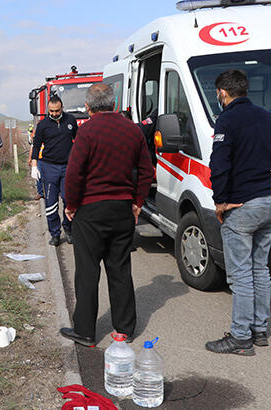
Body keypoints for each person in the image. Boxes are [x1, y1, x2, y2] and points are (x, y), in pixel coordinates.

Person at [59, 83, 154, 347]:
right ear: (114, 104)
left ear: (88, 107)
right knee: (120, 269)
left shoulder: (87, 131)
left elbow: (75, 173)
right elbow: (146, 171)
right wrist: (137, 202)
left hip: (90, 211)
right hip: (122, 209)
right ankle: (123, 329)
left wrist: (71, 205)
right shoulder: (132, 130)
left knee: (87, 272)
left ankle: (86, 332)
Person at [205, 69, 271, 355]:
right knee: (260, 270)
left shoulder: (226, 120)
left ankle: (240, 337)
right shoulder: (268, 117)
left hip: (241, 208)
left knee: (240, 275)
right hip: (267, 204)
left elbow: (219, 164)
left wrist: (220, 201)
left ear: (223, 93)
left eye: (218, 93)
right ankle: (259, 330)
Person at [30, 95, 78, 245]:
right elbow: (36, 145)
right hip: (49, 167)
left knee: (68, 199)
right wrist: (34, 165)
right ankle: (55, 234)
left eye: (57, 111)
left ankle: (69, 229)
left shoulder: (70, 120)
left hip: (68, 167)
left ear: (62, 108)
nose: (54, 113)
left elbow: (78, 141)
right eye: (51, 111)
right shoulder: (43, 125)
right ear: (48, 109)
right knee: (51, 203)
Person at [28, 122, 44, 200]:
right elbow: (33, 147)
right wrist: (30, 158)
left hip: (46, 159)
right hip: (39, 159)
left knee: (44, 177)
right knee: (39, 177)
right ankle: (41, 193)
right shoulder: (36, 136)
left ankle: (44, 193)